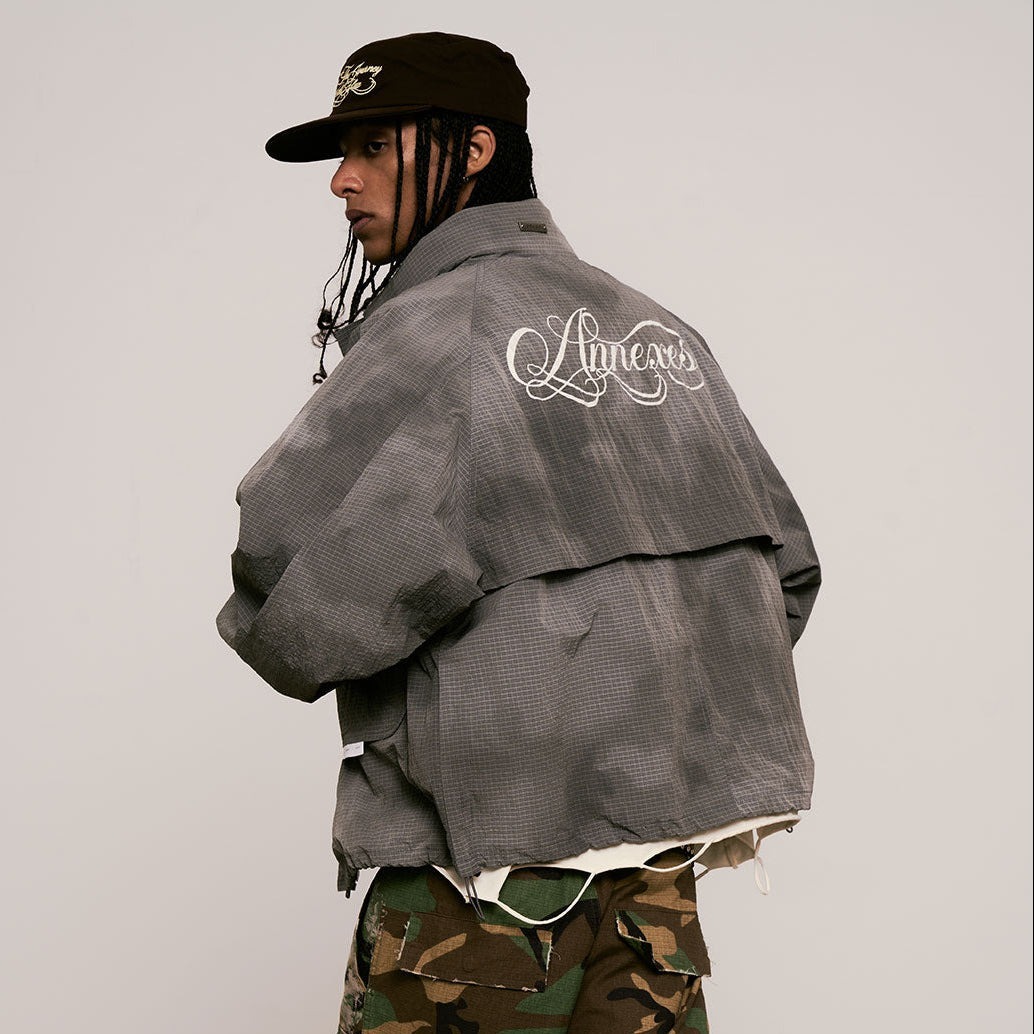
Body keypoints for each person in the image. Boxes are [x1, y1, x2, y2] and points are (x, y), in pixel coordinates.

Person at [217, 31, 821, 1034]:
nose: (341, 180)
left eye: (373, 146)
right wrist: (628, 720)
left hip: (477, 905)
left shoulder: (437, 328)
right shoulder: (659, 329)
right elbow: (782, 573)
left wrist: (497, 690)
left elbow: (286, 587)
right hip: (654, 904)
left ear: (475, 149)